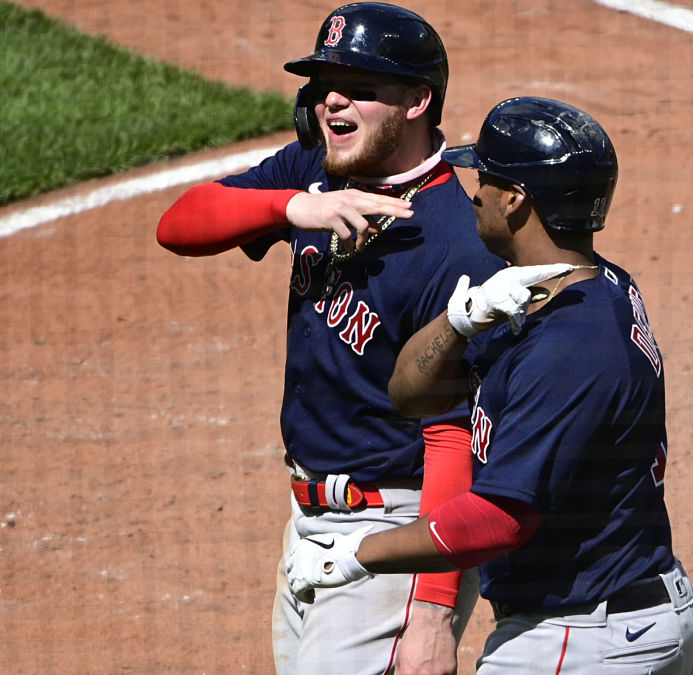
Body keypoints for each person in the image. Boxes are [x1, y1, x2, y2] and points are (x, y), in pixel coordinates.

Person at [285, 96, 693, 674]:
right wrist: (459, 322)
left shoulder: (570, 343)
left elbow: (500, 519)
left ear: (514, 200)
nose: (473, 194)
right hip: (633, 617)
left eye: (484, 179)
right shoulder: (572, 289)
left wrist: (360, 555)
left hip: (588, 637)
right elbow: (409, 395)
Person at [155, 4, 505, 673]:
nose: (332, 100)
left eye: (359, 86)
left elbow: (452, 436)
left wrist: (432, 612)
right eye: (324, 84)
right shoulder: (314, 172)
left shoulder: (453, 243)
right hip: (309, 521)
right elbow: (178, 224)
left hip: (396, 529)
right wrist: (292, 205)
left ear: (416, 101)